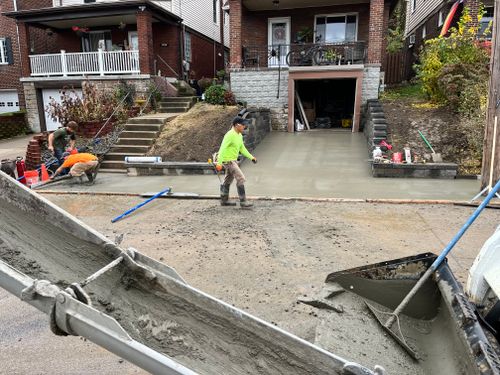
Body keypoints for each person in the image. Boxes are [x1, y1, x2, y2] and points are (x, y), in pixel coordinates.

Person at [216, 116, 257, 208]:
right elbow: (222, 148)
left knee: (228, 179)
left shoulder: (239, 135)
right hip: (228, 161)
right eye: (243, 125)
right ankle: (243, 201)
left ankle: (224, 200)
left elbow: (242, 149)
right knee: (241, 178)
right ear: (236, 125)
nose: (244, 127)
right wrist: (219, 163)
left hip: (233, 160)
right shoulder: (229, 135)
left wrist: (251, 157)